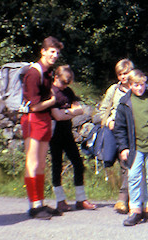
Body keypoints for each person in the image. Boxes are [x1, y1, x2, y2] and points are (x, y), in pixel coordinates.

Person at [114, 70, 148, 226]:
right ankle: (135, 209)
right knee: (134, 177)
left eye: (142, 85)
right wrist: (123, 147)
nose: (139, 88)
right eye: (136, 85)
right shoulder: (125, 103)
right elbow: (120, 128)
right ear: (130, 85)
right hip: (134, 147)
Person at [22, 36, 63, 220]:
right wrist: (53, 101)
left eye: (57, 52)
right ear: (43, 51)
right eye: (51, 51)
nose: (55, 55)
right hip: (33, 119)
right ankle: (34, 206)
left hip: (44, 119)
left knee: (41, 163)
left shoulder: (48, 71)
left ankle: (39, 202)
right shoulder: (34, 72)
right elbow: (33, 106)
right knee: (32, 163)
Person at [49, 65, 96, 212]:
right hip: (54, 133)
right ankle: (60, 200)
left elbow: (80, 109)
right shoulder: (51, 91)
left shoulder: (68, 91)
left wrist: (67, 112)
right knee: (57, 165)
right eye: (63, 83)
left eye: (67, 84)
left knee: (78, 163)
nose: (64, 86)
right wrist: (71, 111)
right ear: (56, 77)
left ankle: (81, 199)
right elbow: (57, 115)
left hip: (67, 132)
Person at [97, 59, 135, 215]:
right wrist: (108, 121)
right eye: (120, 74)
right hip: (116, 132)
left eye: (126, 73)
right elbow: (102, 111)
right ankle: (122, 200)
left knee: (130, 165)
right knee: (124, 163)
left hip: (133, 131)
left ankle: (130, 200)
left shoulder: (137, 87)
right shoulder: (113, 90)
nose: (123, 77)